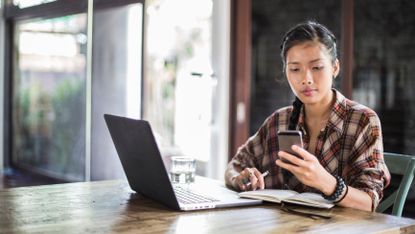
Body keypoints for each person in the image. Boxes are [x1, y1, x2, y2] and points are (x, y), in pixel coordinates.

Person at [225, 20, 390, 212]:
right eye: (295, 69)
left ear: (335, 67)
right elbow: (235, 165)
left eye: (317, 67)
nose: (306, 79)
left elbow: (369, 202)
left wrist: (326, 182)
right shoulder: (279, 121)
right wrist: (241, 177)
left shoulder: (363, 121)